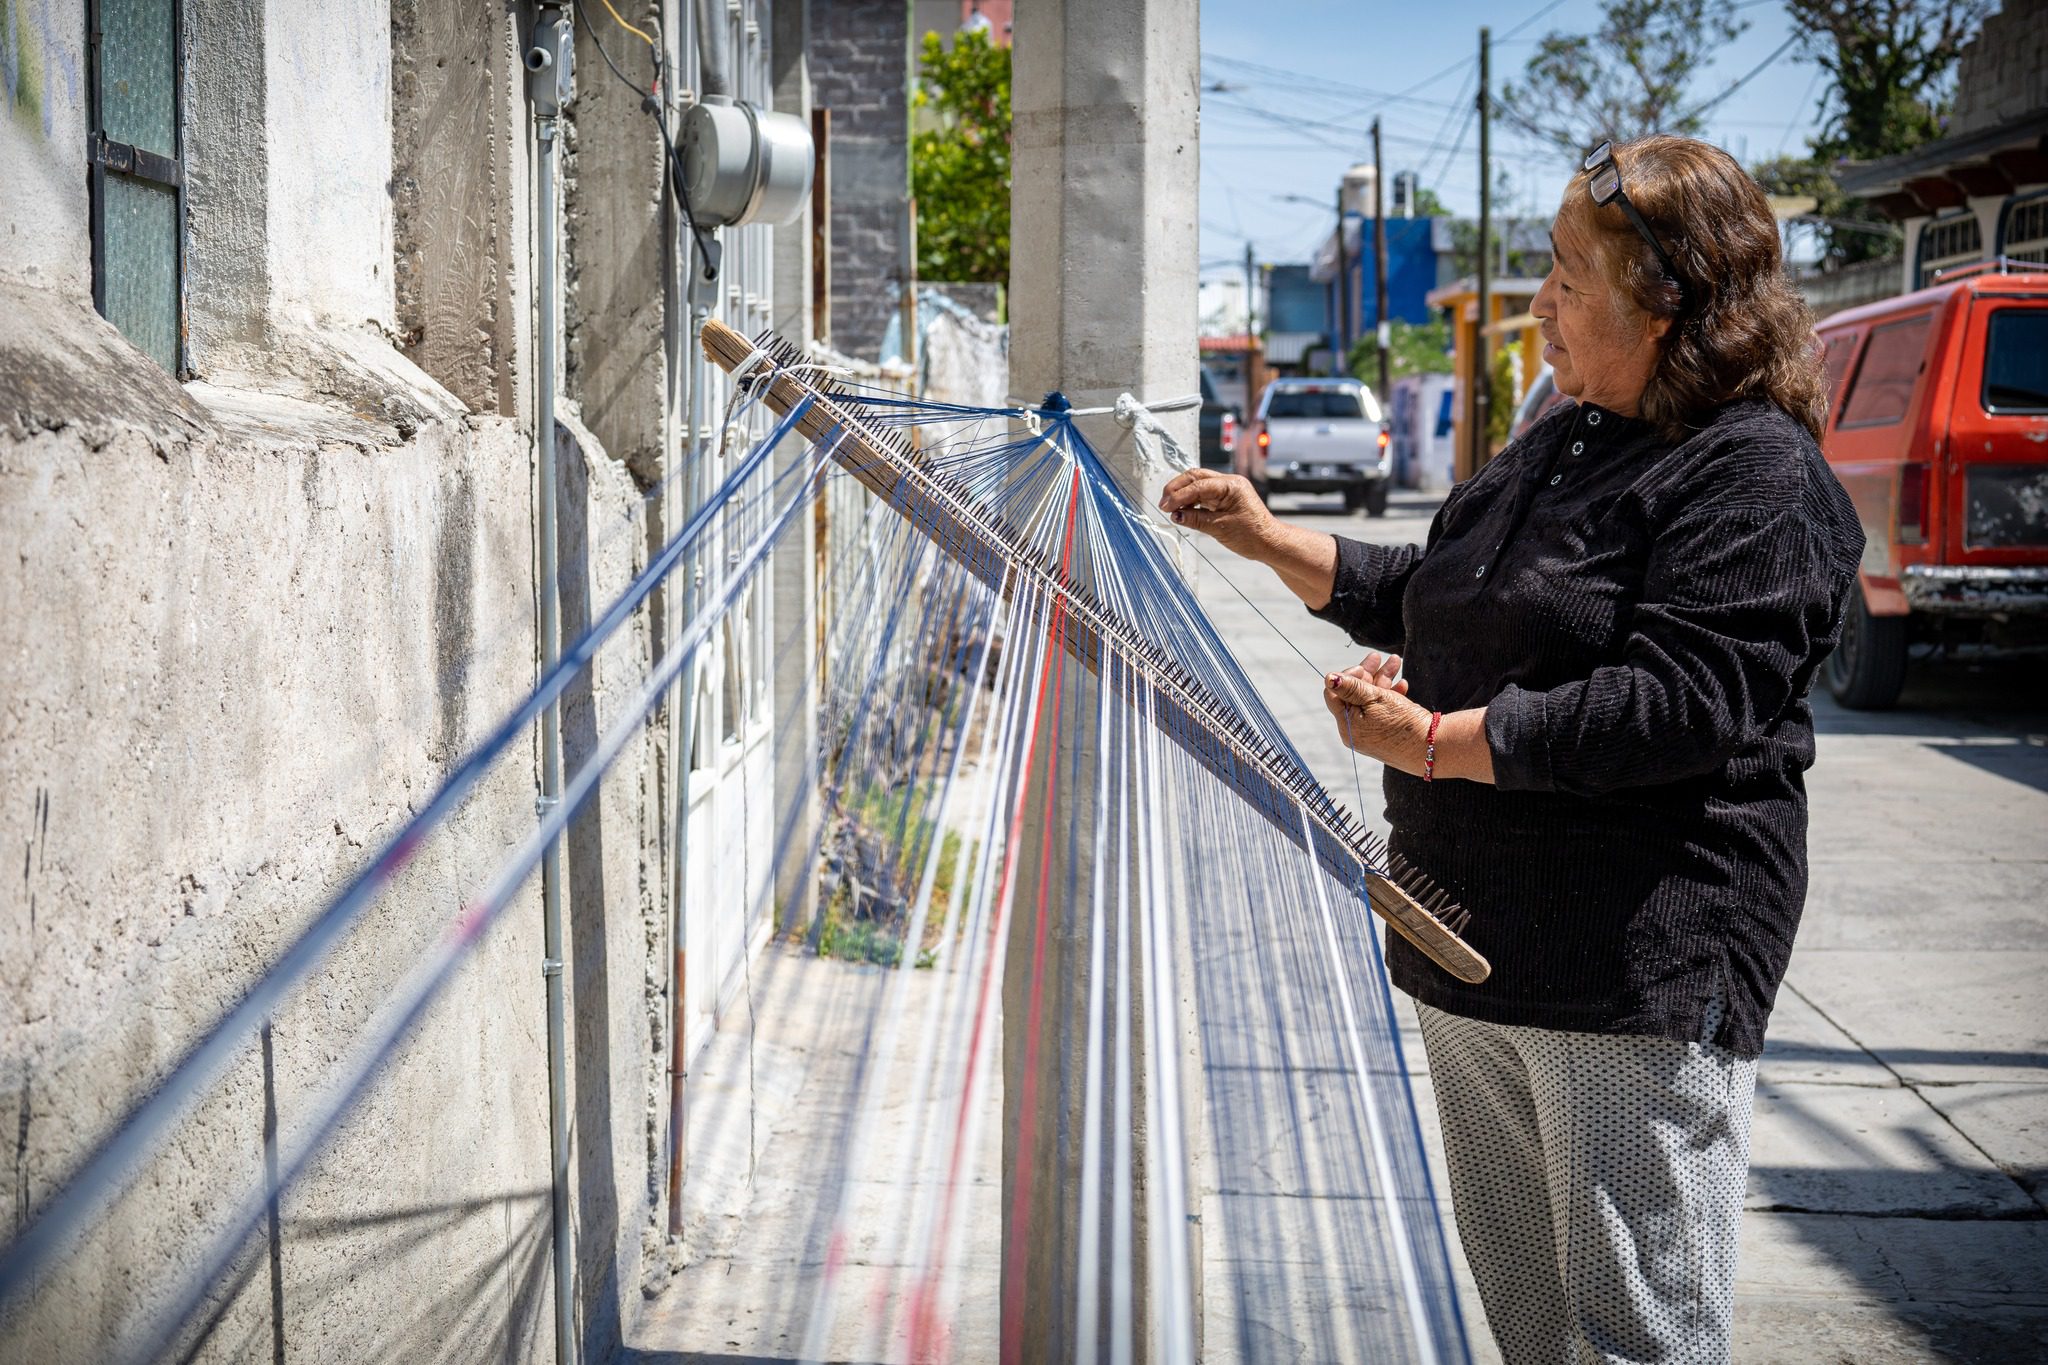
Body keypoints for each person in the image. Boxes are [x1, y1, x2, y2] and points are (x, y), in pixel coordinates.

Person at [1159, 135, 1863, 1363]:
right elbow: (1448, 592)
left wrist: (1434, 743)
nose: (1537, 303)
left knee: (1627, 1339)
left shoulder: (1753, 479)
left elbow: (1675, 701)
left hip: (1623, 974)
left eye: (1563, 277)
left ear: (1668, 305)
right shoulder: (1566, 436)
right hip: (1468, 948)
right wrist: (1272, 543)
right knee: (1534, 1333)